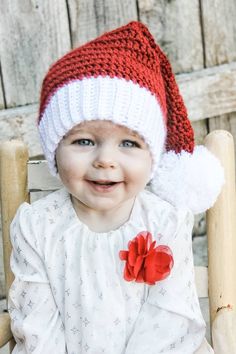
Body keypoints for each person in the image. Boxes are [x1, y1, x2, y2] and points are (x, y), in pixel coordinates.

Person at [8, 21, 224, 353]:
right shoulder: (37, 227)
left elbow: (171, 317)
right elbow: (36, 324)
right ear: (54, 148)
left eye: (128, 144)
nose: (105, 160)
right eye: (83, 141)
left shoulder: (164, 222)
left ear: (151, 157)